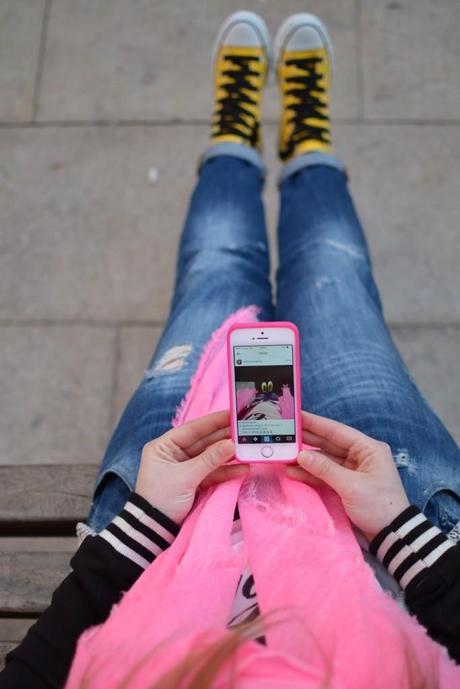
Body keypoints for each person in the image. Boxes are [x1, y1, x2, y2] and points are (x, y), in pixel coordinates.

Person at [1, 11, 460, 689]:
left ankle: (232, 140)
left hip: (165, 532)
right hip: (382, 539)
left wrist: (142, 525)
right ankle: (307, 144)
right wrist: (401, 532)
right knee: (332, 270)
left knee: (217, 266)